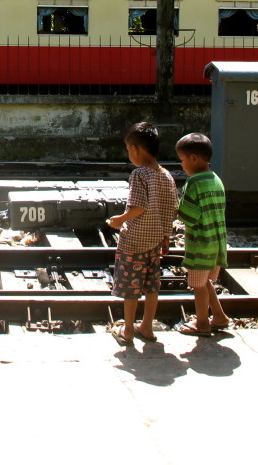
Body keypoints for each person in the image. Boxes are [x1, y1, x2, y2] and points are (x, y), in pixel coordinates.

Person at [105, 122, 178, 346]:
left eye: (128, 150)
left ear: (136, 149)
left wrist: (119, 220)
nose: (129, 155)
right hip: (155, 241)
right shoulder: (166, 175)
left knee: (131, 288)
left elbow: (138, 207)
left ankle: (127, 331)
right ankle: (146, 327)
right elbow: (170, 209)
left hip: (134, 241)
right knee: (151, 285)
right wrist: (166, 236)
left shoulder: (139, 174)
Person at [175, 132, 230, 337]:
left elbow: (188, 218)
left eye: (182, 160)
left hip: (201, 244)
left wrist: (175, 206)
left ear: (193, 159)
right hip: (217, 243)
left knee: (198, 286)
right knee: (205, 281)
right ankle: (219, 316)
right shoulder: (216, 179)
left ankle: (202, 323)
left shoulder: (194, 183)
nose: (181, 165)